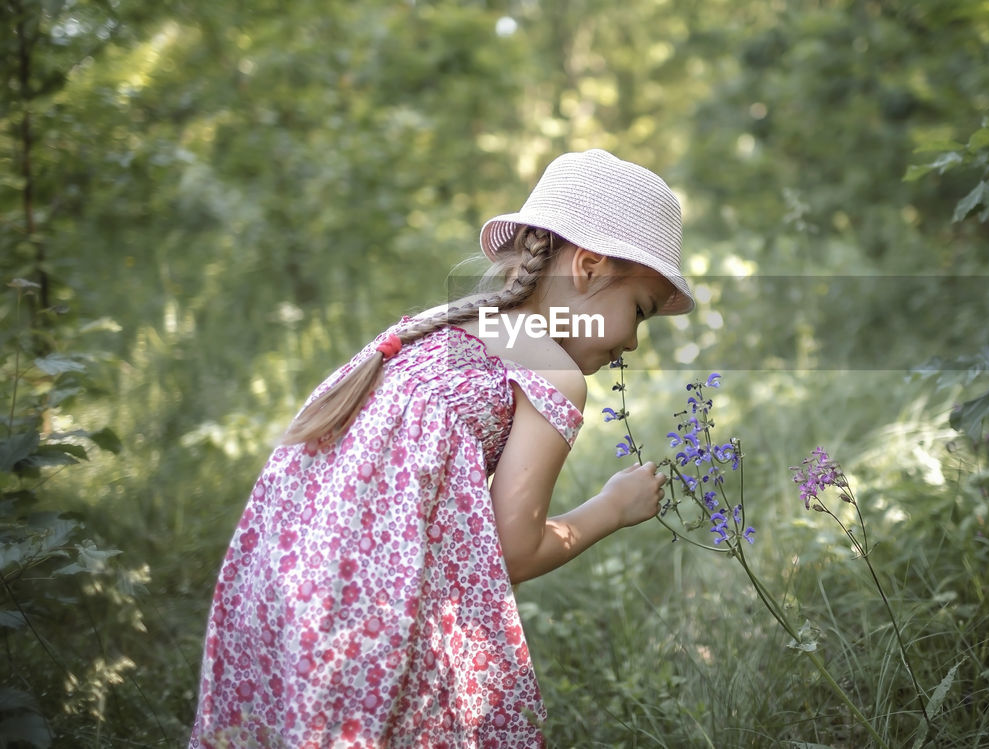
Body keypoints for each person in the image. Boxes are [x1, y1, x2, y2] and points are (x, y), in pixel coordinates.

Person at [190, 149, 695, 748]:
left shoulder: (439, 327)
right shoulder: (554, 373)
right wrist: (613, 507)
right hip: (373, 612)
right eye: (638, 311)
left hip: (284, 585)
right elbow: (516, 550)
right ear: (587, 267)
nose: (633, 343)